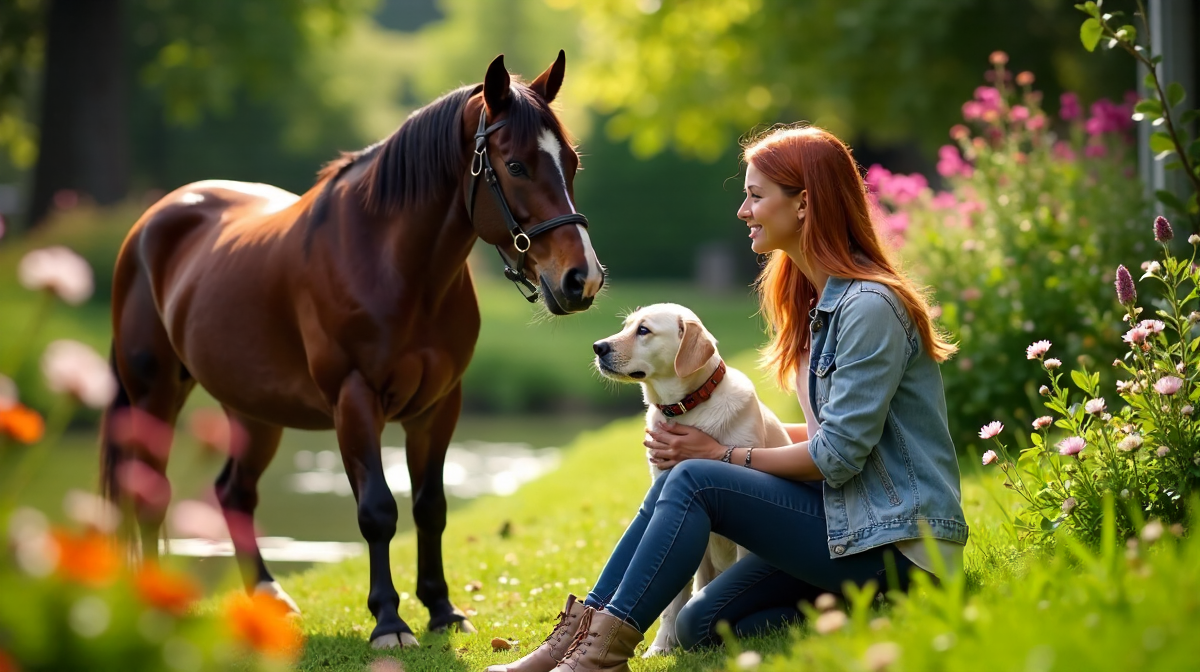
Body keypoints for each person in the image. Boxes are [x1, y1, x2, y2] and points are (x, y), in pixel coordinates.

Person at [485, 125, 969, 672]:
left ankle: (597, 652)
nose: (743, 211)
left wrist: (721, 454)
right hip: (847, 524)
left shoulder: (868, 307)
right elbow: (840, 437)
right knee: (700, 625)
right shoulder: (817, 305)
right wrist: (744, 436)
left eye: (756, 196)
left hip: (899, 544)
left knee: (694, 476)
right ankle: (579, 634)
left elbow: (837, 457)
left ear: (804, 204)